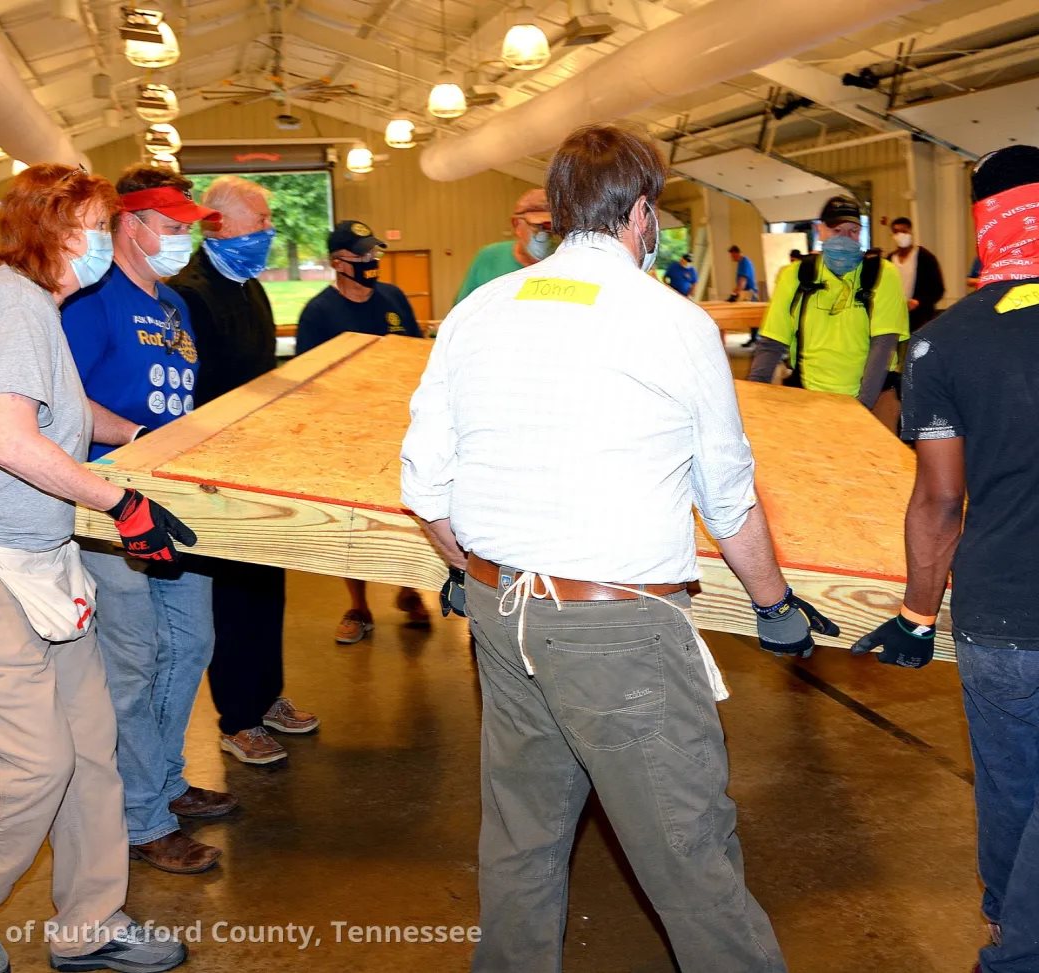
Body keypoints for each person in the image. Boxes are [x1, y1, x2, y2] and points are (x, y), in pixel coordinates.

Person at [402, 122, 838, 973]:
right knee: (687, 849)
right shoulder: (672, 321)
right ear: (641, 213)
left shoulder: (476, 313)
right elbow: (727, 496)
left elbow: (424, 483)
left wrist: (466, 570)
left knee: (521, 834)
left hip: (501, 610)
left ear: (558, 210)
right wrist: (775, 604)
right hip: (618, 632)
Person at [851, 146, 1039, 973]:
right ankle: (1022, 936)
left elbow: (940, 501)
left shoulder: (940, 346)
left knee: (1008, 779)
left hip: (1000, 618)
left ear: (983, 219)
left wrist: (917, 615)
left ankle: (1009, 930)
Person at [0, 163, 190, 973]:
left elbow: (67, 407)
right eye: (94, 226)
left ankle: (89, 922)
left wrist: (137, 438)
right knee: (33, 764)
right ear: (50, 230)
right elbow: (9, 439)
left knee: (92, 750)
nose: (103, 242)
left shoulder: (41, 311)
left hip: (36, 561)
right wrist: (120, 503)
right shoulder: (12, 303)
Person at [61, 164, 234, 874]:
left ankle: (162, 778)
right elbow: (63, 400)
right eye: (170, 226)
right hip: (109, 503)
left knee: (190, 644)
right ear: (128, 225)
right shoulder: (91, 302)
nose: (182, 240)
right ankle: (141, 819)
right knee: (132, 661)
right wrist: (134, 438)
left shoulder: (174, 305)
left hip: (170, 497)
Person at [171, 176, 321, 766]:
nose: (268, 230)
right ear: (219, 224)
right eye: (260, 220)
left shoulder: (250, 287)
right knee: (231, 599)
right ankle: (237, 720)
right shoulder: (189, 294)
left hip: (260, 461)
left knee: (266, 586)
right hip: (214, 471)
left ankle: (266, 696)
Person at [295, 219, 431, 644]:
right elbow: (306, 382)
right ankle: (358, 606)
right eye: (360, 255)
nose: (371, 261)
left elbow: (416, 354)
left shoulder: (393, 298)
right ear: (338, 262)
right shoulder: (319, 313)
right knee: (352, 524)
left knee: (406, 514)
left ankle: (409, 589)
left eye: (374, 253)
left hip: (399, 428)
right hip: (345, 437)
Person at [745, 196, 909, 406]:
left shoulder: (883, 274)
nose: (845, 238)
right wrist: (754, 398)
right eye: (836, 230)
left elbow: (884, 344)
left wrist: (862, 405)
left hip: (874, 395)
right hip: (809, 395)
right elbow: (772, 342)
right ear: (819, 230)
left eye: (853, 231)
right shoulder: (796, 275)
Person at [454, 188, 555, 304]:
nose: (548, 235)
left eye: (554, 228)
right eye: (540, 227)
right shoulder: (489, 258)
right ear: (516, 225)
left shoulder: (563, 261)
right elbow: (462, 308)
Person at [888, 217, 946, 332]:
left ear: (910, 232)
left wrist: (919, 302)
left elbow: (938, 289)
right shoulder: (889, 260)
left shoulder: (925, 258)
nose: (900, 235)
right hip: (896, 318)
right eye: (896, 232)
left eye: (904, 231)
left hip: (920, 319)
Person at [730, 244, 762, 346]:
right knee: (752, 317)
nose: (731, 258)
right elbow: (740, 282)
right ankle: (754, 338)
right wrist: (735, 291)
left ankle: (756, 339)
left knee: (752, 317)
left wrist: (735, 294)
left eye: (732, 255)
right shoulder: (742, 262)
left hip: (750, 293)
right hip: (748, 292)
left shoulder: (744, 262)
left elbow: (742, 281)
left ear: (736, 253)